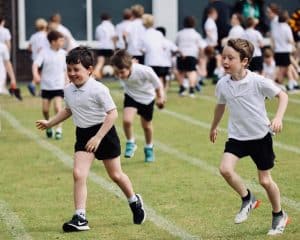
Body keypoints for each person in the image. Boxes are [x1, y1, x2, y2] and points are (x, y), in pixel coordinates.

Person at [35, 46, 146, 232]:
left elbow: (112, 114)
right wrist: (50, 123)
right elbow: (68, 110)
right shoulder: (68, 90)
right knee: (78, 174)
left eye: (76, 69)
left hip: (104, 133)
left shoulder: (99, 89)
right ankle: (80, 217)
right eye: (69, 69)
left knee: (116, 175)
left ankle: (134, 201)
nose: (72, 73)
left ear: (89, 69)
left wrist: (98, 137)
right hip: (83, 135)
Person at [209, 38, 290, 236]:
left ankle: (279, 214)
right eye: (224, 57)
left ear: (244, 61)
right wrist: (214, 126)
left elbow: (283, 95)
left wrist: (278, 118)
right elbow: (220, 106)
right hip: (237, 137)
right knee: (225, 170)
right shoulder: (222, 84)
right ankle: (248, 199)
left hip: (260, 136)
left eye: (231, 58)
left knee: (265, 180)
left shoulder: (257, 81)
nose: (225, 61)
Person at [110, 49, 165, 162]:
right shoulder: (122, 68)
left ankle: (149, 148)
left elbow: (158, 85)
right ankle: (131, 142)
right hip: (132, 96)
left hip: (147, 98)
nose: (119, 75)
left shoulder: (144, 70)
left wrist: (160, 98)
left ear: (130, 67)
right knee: (127, 121)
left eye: (122, 72)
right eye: (117, 72)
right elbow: (121, 60)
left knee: (146, 126)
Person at [32, 30, 67, 139]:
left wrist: (67, 81)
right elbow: (35, 65)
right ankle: (48, 125)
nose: (62, 42)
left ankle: (59, 130)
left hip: (58, 85)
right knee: (45, 110)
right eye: (60, 40)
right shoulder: (44, 52)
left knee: (58, 107)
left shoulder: (63, 53)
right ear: (52, 42)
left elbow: (66, 70)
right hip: (46, 86)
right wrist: (36, 75)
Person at [175, 16, 206, 97]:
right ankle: (191, 89)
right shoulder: (196, 34)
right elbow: (201, 47)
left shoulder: (180, 33)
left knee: (180, 71)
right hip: (192, 54)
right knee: (192, 71)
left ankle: (182, 88)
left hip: (181, 54)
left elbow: (176, 44)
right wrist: (200, 57)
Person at [27, 18, 49, 96]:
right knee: (43, 74)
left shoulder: (33, 36)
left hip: (34, 58)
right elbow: (42, 48)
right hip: (43, 58)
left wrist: (34, 51)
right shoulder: (46, 35)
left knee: (38, 73)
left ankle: (33, 84)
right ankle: (41, 90)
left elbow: (29, 47)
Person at [93, 12, 117, 79]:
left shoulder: (98, 27)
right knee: (114, 62)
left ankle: (96, 75)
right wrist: (115, 48)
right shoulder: (111, 26)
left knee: (100, 63)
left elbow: (97, 38)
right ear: (109, 19)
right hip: (110, 47)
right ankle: (116, 75)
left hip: (101, 47)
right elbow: (114, 38)